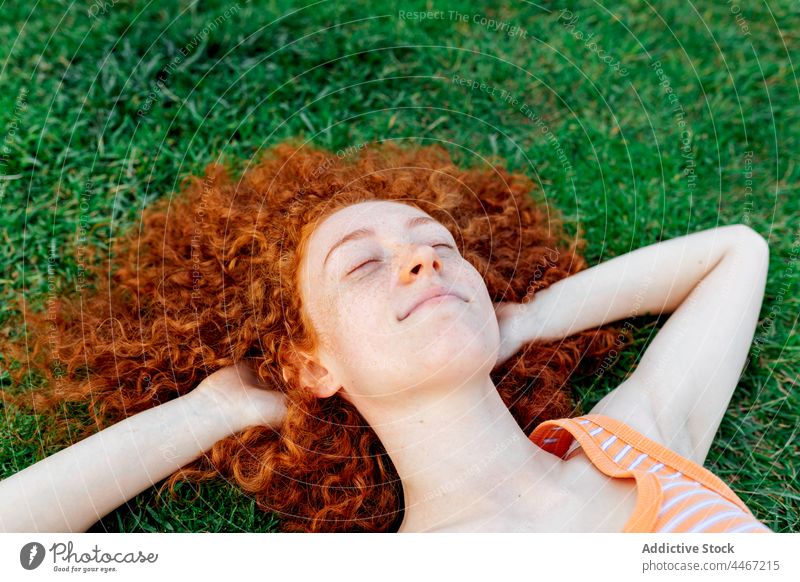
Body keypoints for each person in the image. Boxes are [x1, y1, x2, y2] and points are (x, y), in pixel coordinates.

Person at [0, 142, 772, 533]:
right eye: (362, 266)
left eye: (440, 248)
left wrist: (526, 319)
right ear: (312, 363)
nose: (420, 259)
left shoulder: (640, 444)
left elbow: (737, 250)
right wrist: (216, 409)